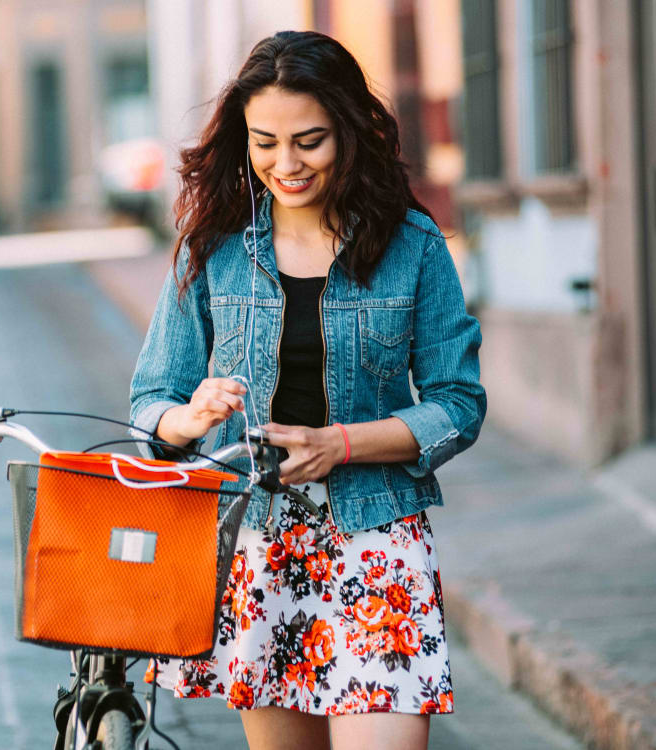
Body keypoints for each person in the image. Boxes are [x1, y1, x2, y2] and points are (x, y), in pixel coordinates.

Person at [129, 30, 486, 750]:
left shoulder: (413, 246)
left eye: (310, 141)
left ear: (350, 134)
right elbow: (149, 403)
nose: (285, 164)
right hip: (256, 547)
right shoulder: (212, 250)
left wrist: (340, 445)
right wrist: (190, 416)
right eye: (265, 143)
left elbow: (458, 402)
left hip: (378, 543)